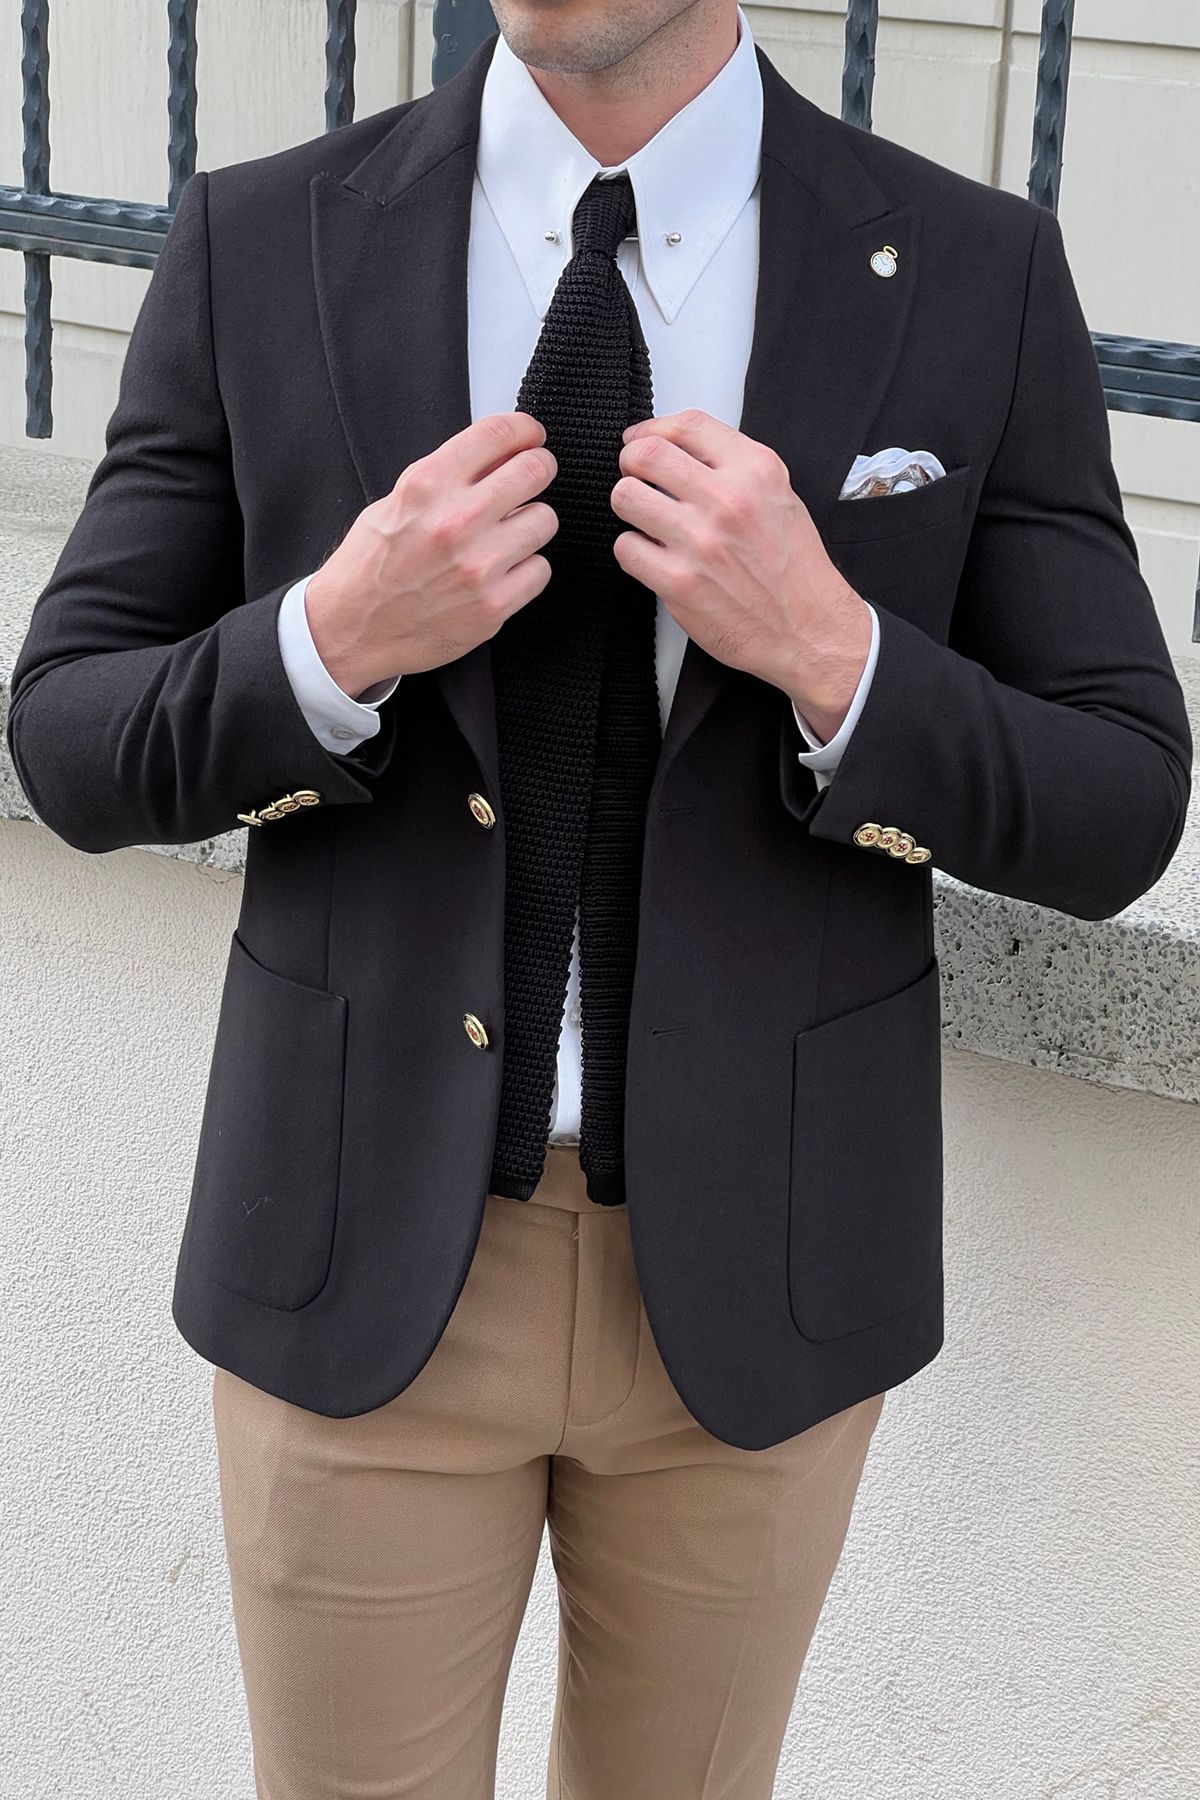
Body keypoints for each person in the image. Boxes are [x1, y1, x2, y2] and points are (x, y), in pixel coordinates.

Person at [6, 2, 1191, 1794]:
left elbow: (1119, 801)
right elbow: (71, 736)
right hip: (364, 1258)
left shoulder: (970, 265)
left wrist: (836, 654)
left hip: (761, 1270)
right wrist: (333, 643)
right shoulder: (266, 236)